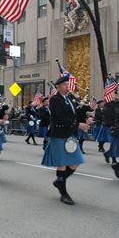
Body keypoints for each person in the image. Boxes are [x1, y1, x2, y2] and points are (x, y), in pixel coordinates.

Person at [41, 76, 92, 205]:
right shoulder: (55, 100)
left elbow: (75, 114)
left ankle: (59, 181)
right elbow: (60, 118)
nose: (67, 86)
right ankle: (64, 193)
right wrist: (78, 125)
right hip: (59, 134)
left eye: (67, 84)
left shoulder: (70, 99)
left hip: (70, 134)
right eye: (64, 84)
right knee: (62, 164)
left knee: (76, 161)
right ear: (58, 86)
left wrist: (87, 118)